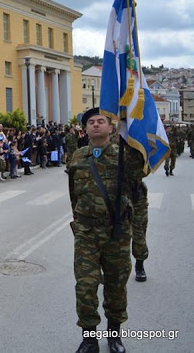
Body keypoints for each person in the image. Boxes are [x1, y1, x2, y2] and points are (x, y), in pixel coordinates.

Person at [69, 108, 131, 353]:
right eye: (91, 122)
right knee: (85, 286)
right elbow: (73, 193)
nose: (95, 125)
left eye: (100, 121)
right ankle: (89, 338)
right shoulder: (77, 157)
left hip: (116, 233)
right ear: (85, 129)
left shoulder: (123, 155)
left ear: (110, 127)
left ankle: (114, 335)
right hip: (86, 233)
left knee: (116, 285)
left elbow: (140, 177)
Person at [123, 145, 150, 283]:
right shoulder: (113, 143)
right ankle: (114, 269)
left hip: (136, 196)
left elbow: (147, 170)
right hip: (118, 195)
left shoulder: (139, 143)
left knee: (139, 232)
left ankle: (140, 265)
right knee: (116, 235)